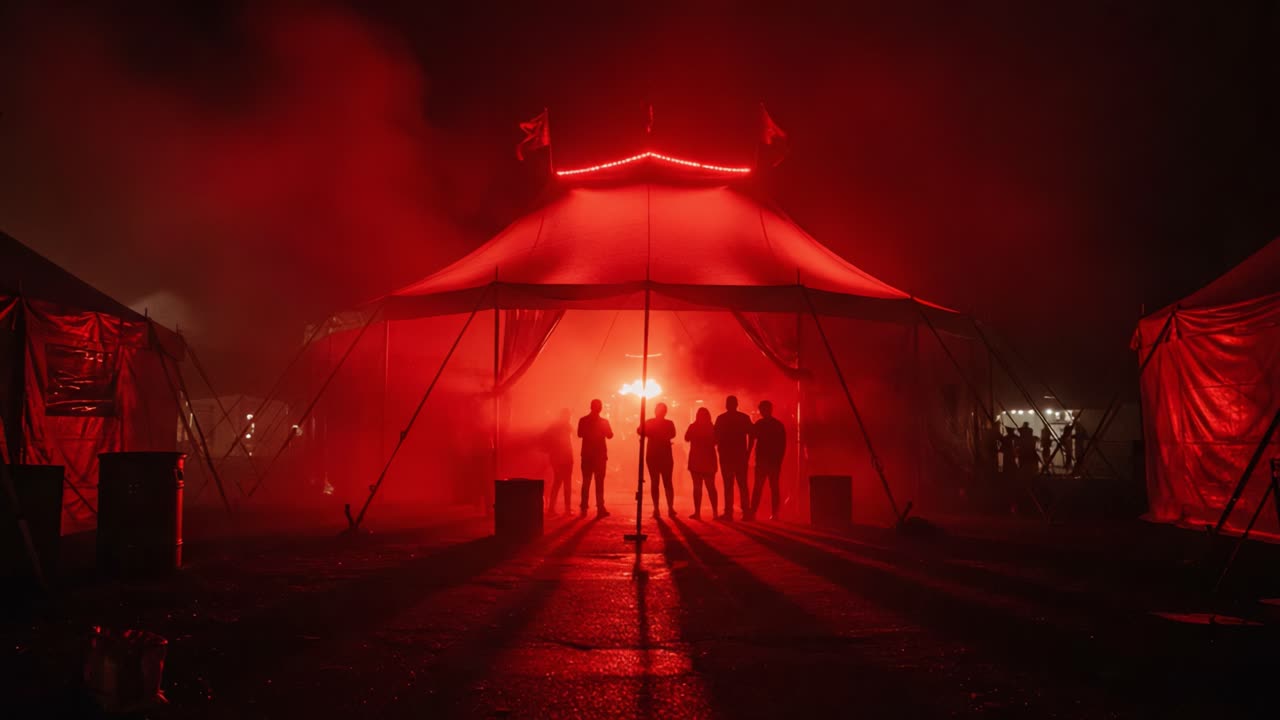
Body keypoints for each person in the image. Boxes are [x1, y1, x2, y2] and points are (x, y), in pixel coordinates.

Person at [714, 395, 753, 520]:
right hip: (740, 456)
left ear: (727, 405)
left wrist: (718, 449)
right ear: (737, 404)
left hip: (726, 457)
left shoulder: (721, 419)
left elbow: (715, 437)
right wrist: (748, 451)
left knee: (728, 485)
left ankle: (729, 513)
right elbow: (752, 435)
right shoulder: (744, 418)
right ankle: (746, 513)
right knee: (742, 485)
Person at [638, 402, 678, 518]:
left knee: (657, 482)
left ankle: (658, 509)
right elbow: (672, 434)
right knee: (667, 482)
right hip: (662, 456)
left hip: (654, 456)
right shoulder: (668, 423)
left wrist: (648, 432)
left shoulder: (650, 422)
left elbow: (640, 430)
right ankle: (668, 508)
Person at [749, 400, 787, 521]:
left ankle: (753, 513)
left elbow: (752, 439)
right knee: (773, 488)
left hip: (763, 461)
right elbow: (783, 445)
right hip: (772, 461)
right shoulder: (778, 424)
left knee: (758, 487)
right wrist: (779, 460)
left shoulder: (759, 424)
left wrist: (748, 454)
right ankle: (774, 514)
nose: (761, 411)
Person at [577, 399, 613, 517]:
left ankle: (584, 508)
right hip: (599, 455)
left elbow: (580, 434)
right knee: (599, 482)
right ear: (600, 408)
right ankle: (600, 507)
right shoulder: (604, 421)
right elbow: (610, 435)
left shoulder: (583, 420)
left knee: (586, 482)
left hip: (588, 455)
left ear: (590, 407)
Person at [684, 407, 718, 519]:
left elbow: (686, 438)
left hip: (696, 460)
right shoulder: (712, 427)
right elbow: (716, 442)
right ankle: (715, 513)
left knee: (697, 487)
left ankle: (698, 513)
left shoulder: (693, 426)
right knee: (711, 487)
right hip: (708, 460)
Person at [542, 408, 574, 514]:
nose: (569, 418)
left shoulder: (559, 426)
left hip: (562, 458)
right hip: (563, 458)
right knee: (564, 483)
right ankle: (565, 509)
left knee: (558, 482)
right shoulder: (562, 426)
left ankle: (554, 508)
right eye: (568, 416)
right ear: (565, 416)